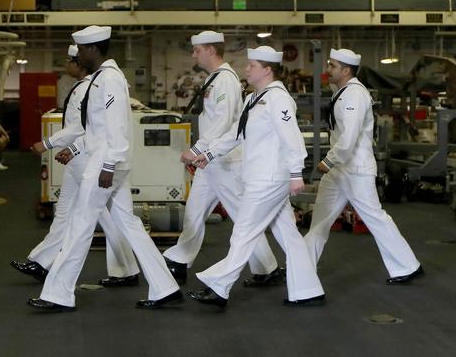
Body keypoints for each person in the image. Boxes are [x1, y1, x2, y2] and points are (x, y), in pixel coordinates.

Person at [28, 26, 181, 311]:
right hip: (107, 162)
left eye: (81, 50)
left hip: (105, 164)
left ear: (92, 50)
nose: (77, 56)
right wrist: (55, 144)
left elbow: (118, 128)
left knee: (80, 226)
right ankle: (165, 287)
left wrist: (108, 165)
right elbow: (88, 127)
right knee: (130, 226)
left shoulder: (109, 80)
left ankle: (58, 294)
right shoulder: (101, 79)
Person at [189, 46, 325, 308]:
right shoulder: (254, 98)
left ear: (267, 70)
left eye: (252, 65)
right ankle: (308, 290)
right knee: (289, 235)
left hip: (270, 178)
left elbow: (292, 137)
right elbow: (236, 134)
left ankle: (219, 288)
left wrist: (296, 173)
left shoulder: (278, 98)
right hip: (261, 176)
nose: (247, 69)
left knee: (243, 232)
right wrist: (209, 153)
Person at [12, 45, 139, 285]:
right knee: (64, 213)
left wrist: (49, 143)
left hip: (87, 159)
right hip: (77, 159)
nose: (66, 66)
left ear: (78, 63)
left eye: (69, 61)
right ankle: (42, 262)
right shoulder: (82, 87)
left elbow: (82, 128)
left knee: (101, 216)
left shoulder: (89, 88)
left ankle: (126, 269)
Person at [164, 31, 282, 287]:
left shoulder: (225, 81)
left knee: (242, 217)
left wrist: (197, 151)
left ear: (210, 50)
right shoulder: (215, 79)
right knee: (194, 212)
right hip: (212, 161)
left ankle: (267, 267)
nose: (193, 55)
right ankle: (179, 260)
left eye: (197, 50)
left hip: (225, 161)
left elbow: (223, 122)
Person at [304, 48, 423, 284]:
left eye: (333, 66)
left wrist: (328, 161)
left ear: (346, 70)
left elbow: (348, 139)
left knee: (375, 218)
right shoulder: (343, 91)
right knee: (320, 219)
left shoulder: (355, 95)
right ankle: (303, 267)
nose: (328, 70)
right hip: (341, 170)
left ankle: (407, 266)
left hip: (355, 169)